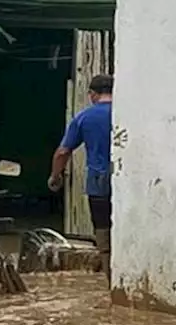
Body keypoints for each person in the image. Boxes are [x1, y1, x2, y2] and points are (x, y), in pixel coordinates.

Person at [49, 73, 113, 280]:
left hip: (99, 182)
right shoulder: (128, 115)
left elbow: (62, 152)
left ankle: (109, 278)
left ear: (93, 94)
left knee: (103, 232)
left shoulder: (84, 117)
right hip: (128, 182)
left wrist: (55, 176)